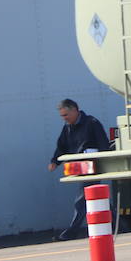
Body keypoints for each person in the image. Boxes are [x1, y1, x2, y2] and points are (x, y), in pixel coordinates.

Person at [48, 98, 111, 240]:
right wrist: (54, 161)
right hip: (80, 166)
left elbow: (103, 144)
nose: (64, 118)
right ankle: (121, 226)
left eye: (66, 115)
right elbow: (61, 146)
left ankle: (71, 232)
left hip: (93, 165)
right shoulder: (67, 127)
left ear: (75, 110)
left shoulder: (91, 123)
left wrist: (102, 161)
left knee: (82, 199)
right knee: (96, 198)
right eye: (62, 116)